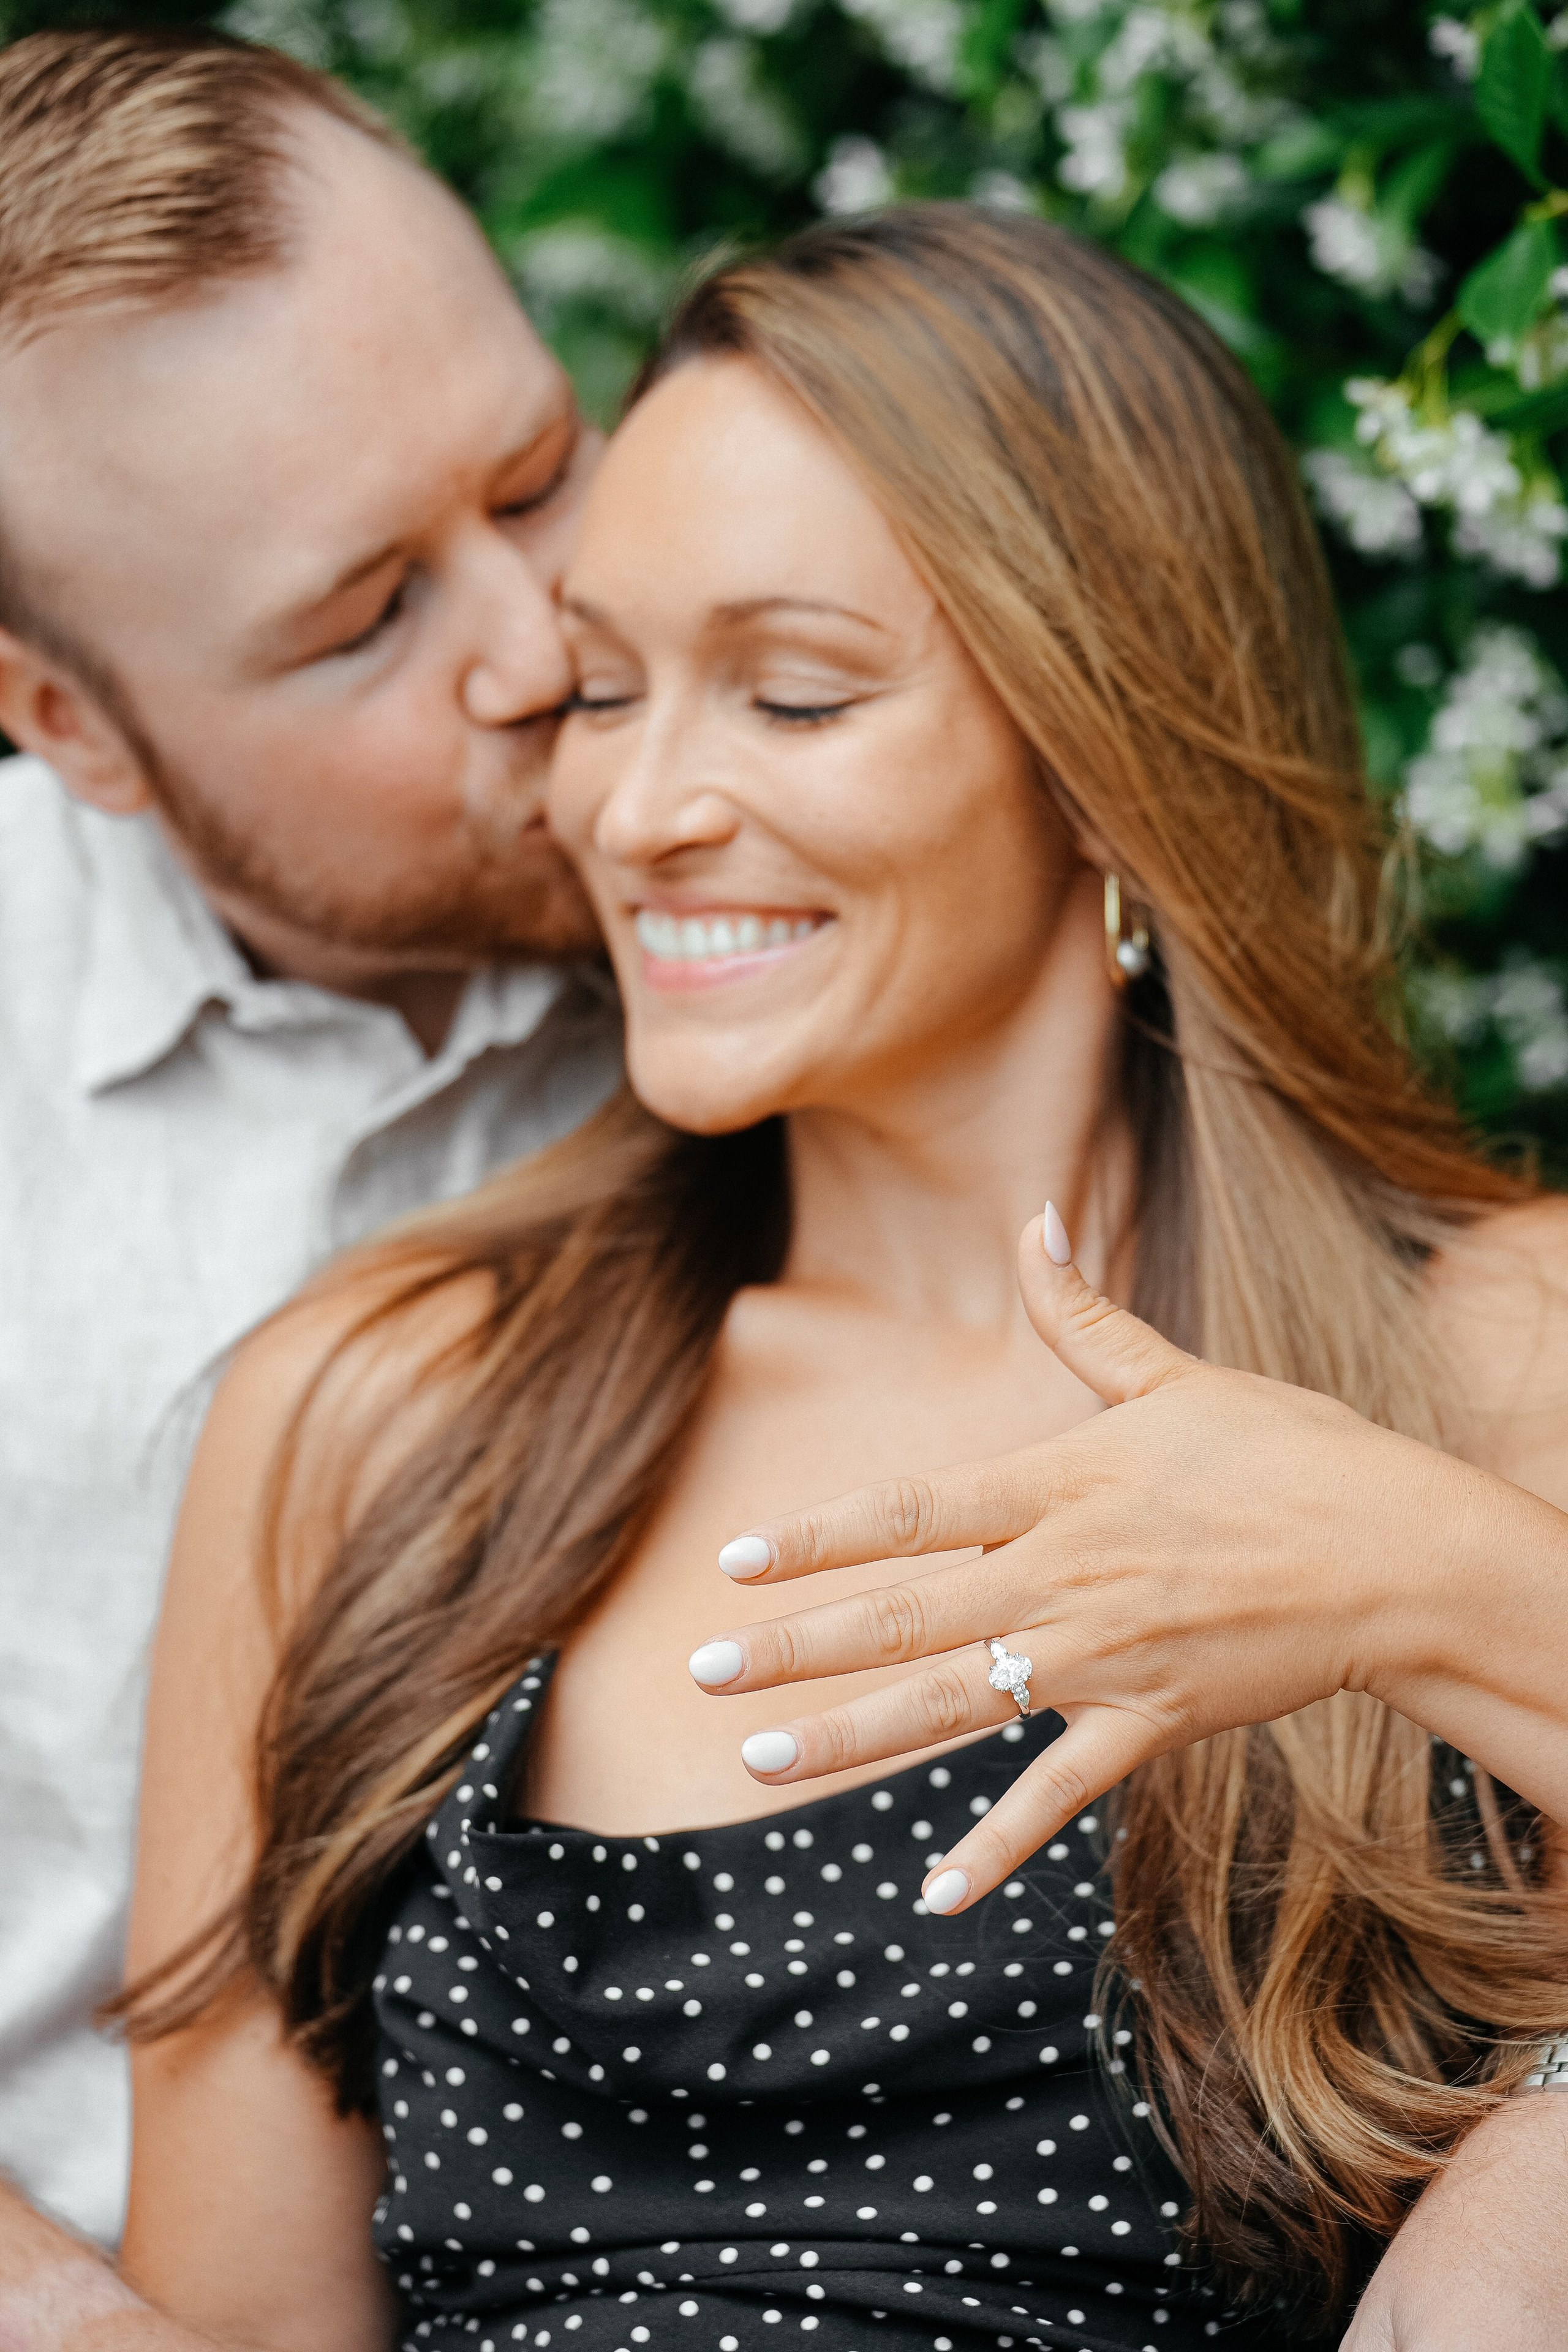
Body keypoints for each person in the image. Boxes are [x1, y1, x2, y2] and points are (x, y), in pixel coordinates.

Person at [113, 207, 1568, 2352]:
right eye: (607, 690)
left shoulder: (1485, 1350)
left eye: (791, 693)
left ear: (1107, 748)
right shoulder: (379, 1411)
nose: (637, 805)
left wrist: (1431, 1580)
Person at [0, 25, 619, 2252]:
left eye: (543, 472)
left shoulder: (831, 884)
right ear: (72, 720)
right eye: (370, 619)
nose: (545, 646)